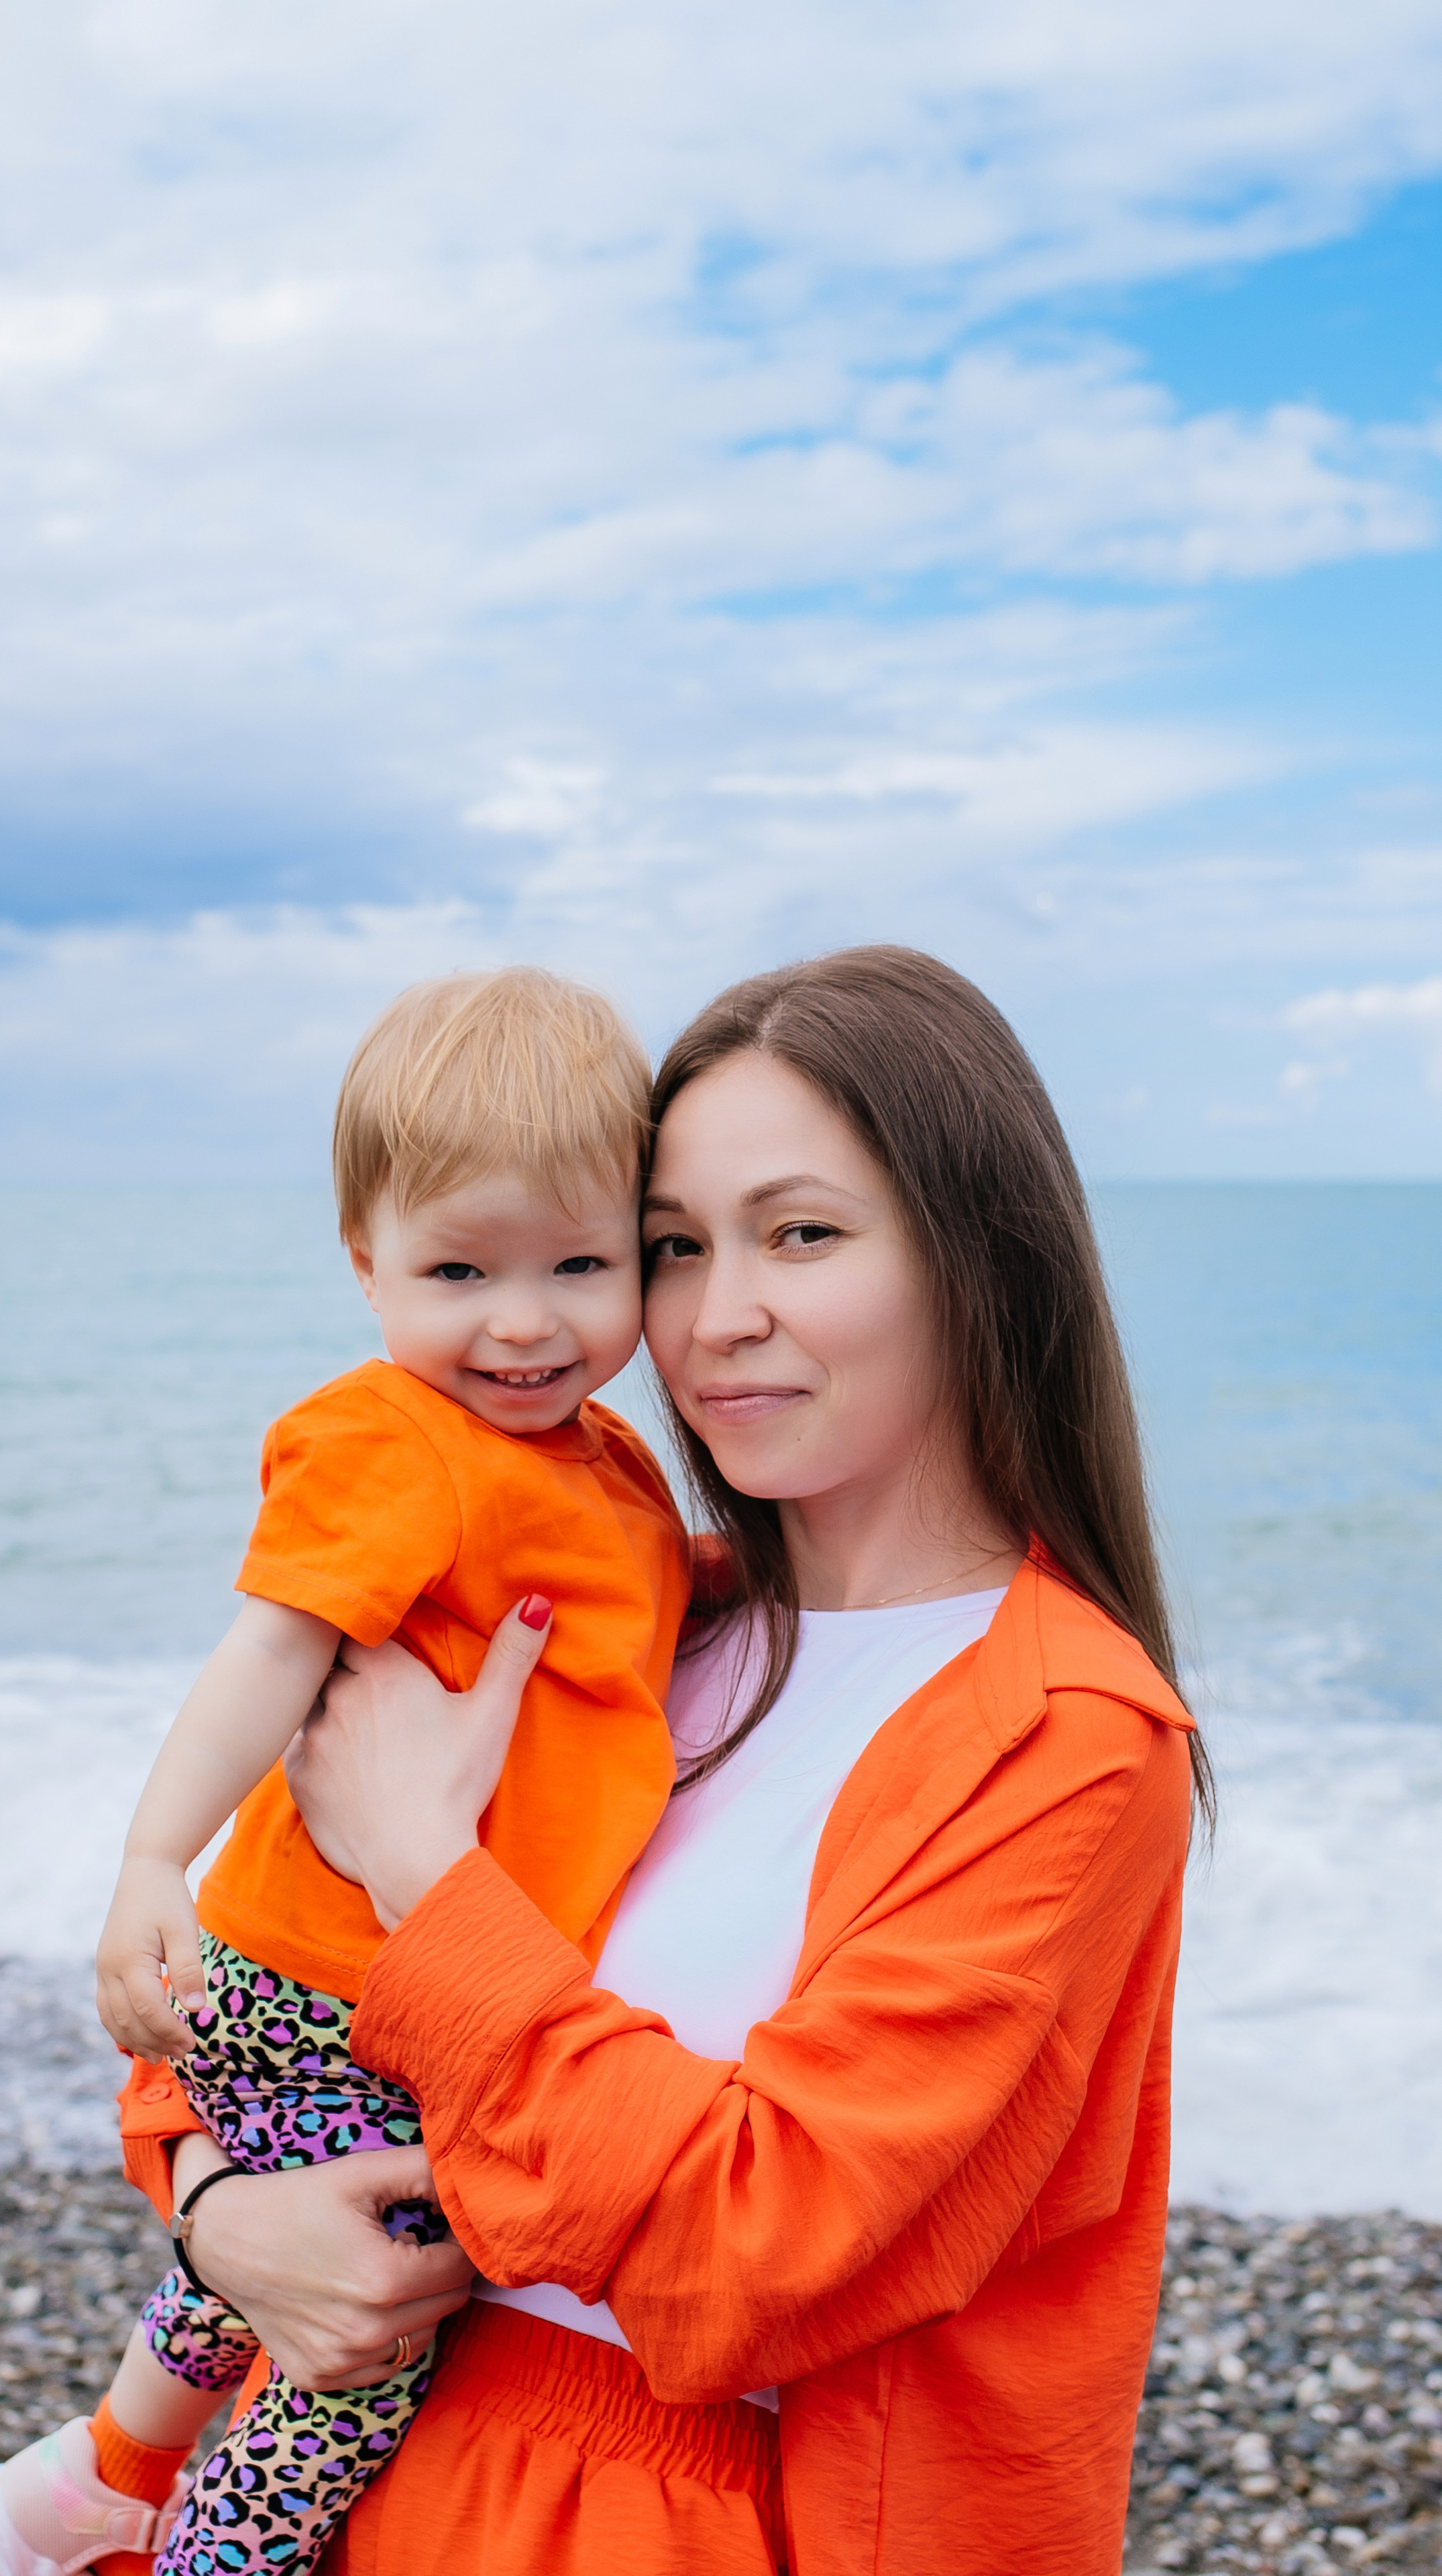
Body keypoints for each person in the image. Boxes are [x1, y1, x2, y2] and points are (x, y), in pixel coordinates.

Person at [118, 946, 1206, 2575]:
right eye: (671, 1248)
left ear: (980, 1257)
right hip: (373, 2466)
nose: (717, 1316)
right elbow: (274, 1986)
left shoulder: (1062, 1739)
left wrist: (432, 1868)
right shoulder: (622, 1616)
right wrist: (223, 2216)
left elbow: (754, 2245)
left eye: (803, 1234)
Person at [0, 967, 691, 2576]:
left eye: (581, 1263)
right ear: (366, 1266)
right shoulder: (392, 1441)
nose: (523, 1319)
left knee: (284, 2243)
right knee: (360, 2347)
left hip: (399, 1977)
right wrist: (152, 1864)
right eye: (457, 1268)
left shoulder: (607, 1462)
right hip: (330, 1978)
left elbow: (651, 1620)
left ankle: (103, 2472)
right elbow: (269, 1657)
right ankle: (204, 2550)